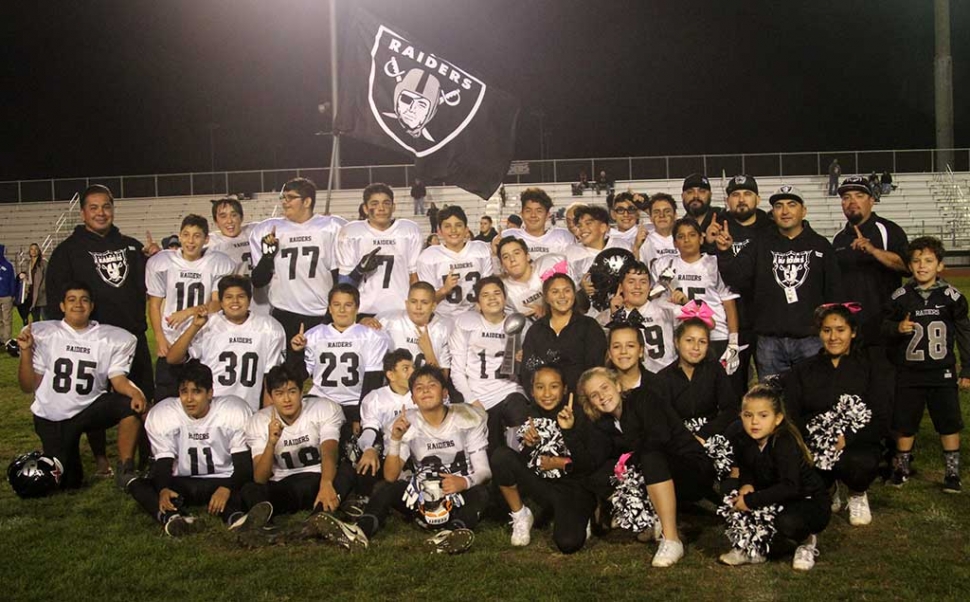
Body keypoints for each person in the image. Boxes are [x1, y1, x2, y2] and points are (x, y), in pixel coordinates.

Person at [45, 184, 158, 474]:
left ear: (113, 209)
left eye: (106, 206)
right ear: (82, 212)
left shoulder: (132, 247)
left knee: (141, 397)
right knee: (91, 400)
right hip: (91, 342)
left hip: (132, 339)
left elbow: (154, 287)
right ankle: (101, 460)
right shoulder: (66, 252)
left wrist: (157, 258)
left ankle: (145, 457)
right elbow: (57, 302)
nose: (100, 212)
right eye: (93, 207)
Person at [577, 367, 714, 567]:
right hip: (654, 471)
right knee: (597, 474)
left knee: (650, 457)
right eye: (594, 395)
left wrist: (628, 462)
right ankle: (649, 517)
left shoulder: (643, 397)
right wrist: (569, 432)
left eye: (605, 388)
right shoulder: (604, 423)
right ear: (590, 402)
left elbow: (659, 437)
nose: (602, 397)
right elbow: (592, 462)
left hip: (691, 469)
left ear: (617, 385)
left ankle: (671, 539)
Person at [16, 281, 146, 489]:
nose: (78, 304)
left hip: (89, 407)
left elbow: (118, 379)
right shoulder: (44, 334)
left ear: (91, 306)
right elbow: (27, 385)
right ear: (62, 306)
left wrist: (135, 393)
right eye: (72, 299)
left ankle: (125, 468)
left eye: (84, 300)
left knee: (130, 405)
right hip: (52, 414)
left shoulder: (112, 338)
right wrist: (25, 352)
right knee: (68, 482)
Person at [356, 365, 490, 554]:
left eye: (431, 385)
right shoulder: (406, 422)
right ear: (412, 398)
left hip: (459, 495)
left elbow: (484, 471)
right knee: (385, 488)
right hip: (421, 496)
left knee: (481, 492)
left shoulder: (467, 417)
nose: (425, 390)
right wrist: (395, 439)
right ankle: (361, 530)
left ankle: (451, 534)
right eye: (419, 387)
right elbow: (391, 476)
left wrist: (464, 482)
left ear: (444, 393)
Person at [715, 185, 845, 380]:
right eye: (778, 206)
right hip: (770, 341)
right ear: (773, 212)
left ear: (804, 211)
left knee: (810, 398)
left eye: (791, 205)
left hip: (810, 339)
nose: (785, 211)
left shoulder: (820, 245)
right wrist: (725, 252)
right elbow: (737, 279)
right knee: (772, 402)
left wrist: (831, 332)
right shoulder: (760, 244)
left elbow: (834, 291)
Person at [783, 304, 889, 526]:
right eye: (826, 330)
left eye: (840, 330)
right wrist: (818, 437)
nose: (833, 337)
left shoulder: (870, 367)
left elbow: (881, 415)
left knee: (859, 463)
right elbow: (794, 413)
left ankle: (857, 492)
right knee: (803, 476)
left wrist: (848, 438)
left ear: (853, 332)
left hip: (856, 444)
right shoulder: (803, 370)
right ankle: (829, 488)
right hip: (815, 445)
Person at [126, 361, 255, 537]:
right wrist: (163, 489)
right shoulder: (165, 413)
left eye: (196, 392)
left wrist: (227, 487)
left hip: (222, 478)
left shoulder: (232, 411)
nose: (189, 399)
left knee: (248, 486)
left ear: (210, 393)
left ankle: (236, 518)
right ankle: (174, 519)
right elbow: (163, 462)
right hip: (184, 482)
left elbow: (243, 466)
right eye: (184, 391)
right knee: (138, 485)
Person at [883, 237, 970, 493]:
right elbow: (883, 327)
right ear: (909, 266)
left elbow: (965, 334)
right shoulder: (901, 297)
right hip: (909, 371)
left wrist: (967, 369)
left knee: (948, 421)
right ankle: (902, 467)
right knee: (905, 421)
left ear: (940, 265)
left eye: (929, 261)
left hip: (941, 371)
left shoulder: (952, 297)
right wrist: (897, 327)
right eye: (916, 261)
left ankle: (952, 472)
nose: (922, 266)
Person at [719, 384, 831, 570]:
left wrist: (751, 500)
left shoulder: (784, 441)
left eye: (763, 416)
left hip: (808, 501)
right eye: (748, 415)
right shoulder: (743, 438)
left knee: (787, 522)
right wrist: (746, 484)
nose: (754, 422)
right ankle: (753, 546)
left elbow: (790, 486)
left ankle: (807, 541)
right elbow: (747, 466)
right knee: (729, 491)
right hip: (778, 497)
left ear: (777, 418)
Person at [492, 365, 597, 553]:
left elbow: (589, 464)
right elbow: (528, 461)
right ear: (532, 391)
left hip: (573, 487)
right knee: (501, 457)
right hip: (544, 486)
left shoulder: (579, 413)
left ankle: (583, 514)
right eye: (540, 387)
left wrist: (564, 460)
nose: (547, 393)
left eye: (554, 386)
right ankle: (521, 514)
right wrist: (528, 445)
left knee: (568, 543)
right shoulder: (529, 414)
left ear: (565, 389)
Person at [249, 177, 347, 360]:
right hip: (284, 312)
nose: (284, 202)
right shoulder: (268, 229)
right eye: (283, 197)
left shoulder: (332, 227)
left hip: (320, 312)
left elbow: (339, 277)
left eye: (290, 197)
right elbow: (258, 280)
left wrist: (330, 315)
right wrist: (268, 256)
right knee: (287, 376)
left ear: (307, 201)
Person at [238, 364, 348, 522]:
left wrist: (326, 482)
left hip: (319, 477)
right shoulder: (259, 421)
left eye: (292, 391)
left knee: (346, 471)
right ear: (271, 396)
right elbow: (260, 478)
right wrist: (270, 443)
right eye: (279, 393)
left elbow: (329, 451)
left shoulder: (323, 408)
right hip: (285, 483)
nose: (287, 399)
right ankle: (262, 523)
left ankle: (319, 516)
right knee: (250, 489)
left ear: (301, 392)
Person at [146, 214, 235, 400]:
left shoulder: (218, 262)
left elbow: (218, 303)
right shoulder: (162, 262)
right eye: (186, 235)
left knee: (200, 401)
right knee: (166, 400)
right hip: (172, 338)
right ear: (179, 236)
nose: (191, 241)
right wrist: (160, 338)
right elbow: (154, 305)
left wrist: (189, 312)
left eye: (197, 235)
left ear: (206, 239)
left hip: (203, 340)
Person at [166, 275, 286, 412]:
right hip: (211, 410)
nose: (235, 301)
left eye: (241, 296)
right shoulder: (208, 324)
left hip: (248, 410)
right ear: (221, 302)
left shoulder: (269, 328)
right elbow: (173, 358)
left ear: (249, 300)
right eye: (229, 297)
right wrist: (195, 326)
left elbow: (270, 379)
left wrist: (266, 416)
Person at [287, 284, 390, 437]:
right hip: (321, 400)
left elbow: (372, 380)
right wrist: (296, 352)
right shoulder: (313, 335)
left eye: (348, 305)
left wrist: (360, 415)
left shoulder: (373, 336)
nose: (342, 310)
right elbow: (299, 376)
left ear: (357, 307)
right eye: (337, 305)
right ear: (329, 308)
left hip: (355, 403)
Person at [449, 276, 530, 450]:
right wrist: (472, 400)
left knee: (521, 434)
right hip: (479, 396)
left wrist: (524, 361)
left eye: (496, 293)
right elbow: (457, 371)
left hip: (510, 391)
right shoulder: (466, 324)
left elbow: (532, 368)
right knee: (493, 451)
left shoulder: (520, 324)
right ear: (477, 303)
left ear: (505, 297)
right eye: (485, 295)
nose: (492, 298)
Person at [712, 175, 774, 388]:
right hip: (731, 322)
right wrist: (708, 242)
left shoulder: (771, 228)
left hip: (766, 320)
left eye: (747, 194)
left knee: (771, 385)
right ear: (728, 200)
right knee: (733, 385)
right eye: (735, 194)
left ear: (757, 198)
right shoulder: (717, 228)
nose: (741, 199)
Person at [832, 175, 908, 347]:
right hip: (849, 329)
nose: (852, 201)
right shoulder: (838, 239)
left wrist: (874, 251)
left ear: (872, 200)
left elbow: (906, 267)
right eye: (846, 197)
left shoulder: (889, 230)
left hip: (884, 327)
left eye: (859, 196)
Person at [661, 219, 740, 366]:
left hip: (715, 335)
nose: (686, 240)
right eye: (681, 236)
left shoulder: (715, 263)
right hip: (682, 335)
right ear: (674, 243)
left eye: (692, 235)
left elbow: (729, 303)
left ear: (701, 238)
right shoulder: (665, 265)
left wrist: (733, 341)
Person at [656, 309, 740, 444]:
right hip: (678, 438)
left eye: (702, 342)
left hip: (712, 433)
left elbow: (731, 409)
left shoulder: (715, 370)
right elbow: (665, 419)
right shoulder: (664, 377)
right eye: (689, 340)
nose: (696, 347)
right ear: (677, 342)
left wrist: (704, 434)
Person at [337, 183, 422, 317]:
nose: (381, 208)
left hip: (401, 309)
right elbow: (343, 287)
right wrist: (358, 271)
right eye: (374, 204)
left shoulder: (409, 230)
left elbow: (414, 277)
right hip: (364, 310)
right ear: (365, 208)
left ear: (393, 207)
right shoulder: (352, 232)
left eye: (386, 203)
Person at [520, 273, 606, 394]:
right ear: (546, 297)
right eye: (555, 292)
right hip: (545, 401)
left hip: (582, 400)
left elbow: (596, 369)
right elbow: (528, 371)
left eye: (567, 291)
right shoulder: (536, 330)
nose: (562, 296)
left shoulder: (589, 326)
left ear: (574, 294)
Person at [596, 261, 679, 374]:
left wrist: (686, 303)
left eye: (643, 282)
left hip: (667, 377)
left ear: (650, 286)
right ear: (621, 287)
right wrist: (614, 316)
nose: (637, 287)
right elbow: (604, 357)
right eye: (631, 282)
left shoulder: (666, 309)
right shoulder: (605, 317)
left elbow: (709, 321)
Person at [416, 205, 494, 320]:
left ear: (466, 229)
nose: (453, 230)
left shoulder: (480, 250)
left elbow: (489, 287)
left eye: (458, 225)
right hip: (443, 319)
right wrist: (444, 290)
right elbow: (425, 301)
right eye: (447, 226)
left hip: (476, 316)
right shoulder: (429, 257)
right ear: (439, 231)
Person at [356, 349, 416, 485]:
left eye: (413, 368)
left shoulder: (422, 394)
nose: (412, 372)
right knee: (367, 462)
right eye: (406, 368)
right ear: (391, 375)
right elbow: (369, 431)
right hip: (390, 452)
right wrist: (368, 449)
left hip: (419, 450)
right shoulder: (375, 398)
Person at [367, 281, 453, 376]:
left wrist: (429, 352)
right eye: (413, 302)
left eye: (424, 302)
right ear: (407, 304)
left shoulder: (444, 328)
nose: (418, 307)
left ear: (433, 306)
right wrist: (363, 321)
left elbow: (442, 380)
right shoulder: (387, 320)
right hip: (393, 388)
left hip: (424, 388)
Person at [206, 196, 270, 315]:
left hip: (262, 302)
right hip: (233, 306)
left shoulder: (255, 231)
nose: (229, 221)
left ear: (241, 217)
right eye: (223, 216)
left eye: (234, 215)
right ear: (216, 221)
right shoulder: (211, 243)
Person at [497, 236, 567, 320]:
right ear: (502, 265)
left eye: (516, 253)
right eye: (506, 257)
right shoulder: (504, 290)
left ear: (527, 256)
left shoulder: (550, 264)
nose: (512, 259)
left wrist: (547, 310)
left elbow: (578, 299)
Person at [499, 188, 574, 259]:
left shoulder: (563, 237)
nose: (533, 215)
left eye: (539, 211)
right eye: (528, 211)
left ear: (547, 215)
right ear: (521, 213)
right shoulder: (508, 236)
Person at [566, 205, 632, 284]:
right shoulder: (571, 253)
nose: (582, 229)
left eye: (588, 223)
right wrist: (580, 287)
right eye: (579, 225)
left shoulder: (623, 247)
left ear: (603, 227)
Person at [638, 193, 680, 282]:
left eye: (667, 211)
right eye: (656, 212)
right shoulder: (643, 241)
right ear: (650, 217)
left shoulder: (685, 239)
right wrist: (635, 248)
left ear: (675, 215)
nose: (662, 215)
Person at [605, 324, 659, 393]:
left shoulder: (659, 386)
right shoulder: (604, 390)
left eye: (630, 346)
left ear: (641, 351)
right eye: (616, 346)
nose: (623, 351)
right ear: (609, 353)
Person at [680, 173, 721, 254]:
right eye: (690, 192)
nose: (696, 196)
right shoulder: (679, 226)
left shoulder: (722, 218)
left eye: (702, 191)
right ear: (682, 196)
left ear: (710, 195)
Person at [17, 243, 48, 322]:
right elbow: (28, 278)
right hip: (32, 294)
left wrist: (43, 289)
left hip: (42, 295)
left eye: (35, 249)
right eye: (31, 249)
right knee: (35, 318)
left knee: (45, 318)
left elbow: (48, 277)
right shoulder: (28, 264)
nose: (33, 251)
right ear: (29, 252)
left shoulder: (43, 263)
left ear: (39, 251)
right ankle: (37, 334)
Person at [0, 245, 15, 343]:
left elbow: (12, 281)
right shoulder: (8, 265)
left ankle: (5, 340)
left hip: (6, 296)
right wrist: (12, 294)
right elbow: (12, 282)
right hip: (6, 296)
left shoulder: (8, 265)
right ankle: (5, 341)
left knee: (5, 320)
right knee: (6, 320)